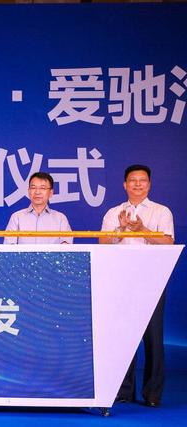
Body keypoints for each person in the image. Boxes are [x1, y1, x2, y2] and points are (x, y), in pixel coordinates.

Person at [99, 164, 174, 407]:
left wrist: (142, 229)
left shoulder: (161, 211)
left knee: (153, 338)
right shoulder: (114, 212)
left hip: (152, 279)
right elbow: (102, 243)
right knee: (122, 337)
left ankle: (152, 393)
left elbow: (168, 243)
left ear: (149, 185)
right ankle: (123, 390)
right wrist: (121, 230)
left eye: (142, 180)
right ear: (125, 184)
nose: (137, 184)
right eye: (133, 180)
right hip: (120, 280)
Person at [3, 172, 72, 244]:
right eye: (33, 188)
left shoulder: (60, 218)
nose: (37, 192)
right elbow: (9, 245)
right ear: (29, 191)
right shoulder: (17, 217)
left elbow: (66, 246)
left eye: (42, 188)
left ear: (51, 193)